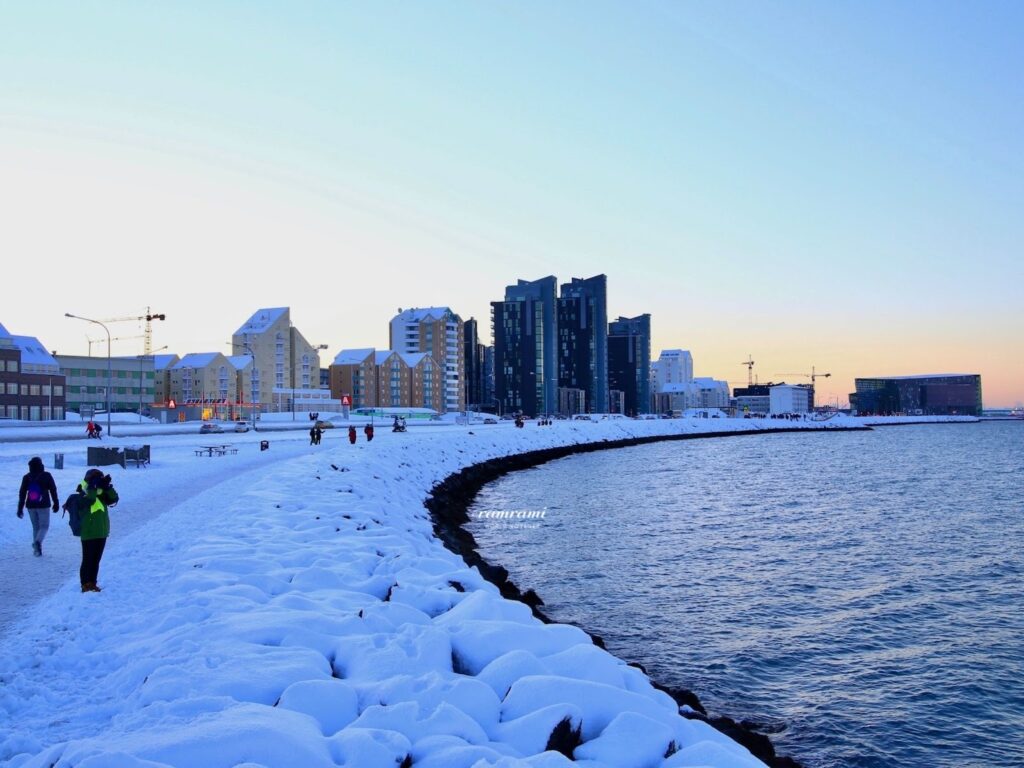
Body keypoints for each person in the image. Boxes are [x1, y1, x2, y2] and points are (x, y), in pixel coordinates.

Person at [77, 468, 119, 593]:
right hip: (89, 531)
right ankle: (85, 584)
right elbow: (90, 500)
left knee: (96, 559)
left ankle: (92, 583)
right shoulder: (82, 490)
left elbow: (114, 498)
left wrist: (107, 486)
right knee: (88, 559)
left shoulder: (101, 492)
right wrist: (93, 486)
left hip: (101, 531)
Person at [17, 456, 60, 556]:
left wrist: (20, 508)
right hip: (43, 504)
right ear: (41, 465)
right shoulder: (47, 475)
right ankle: (37, 543)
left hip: (30, 505)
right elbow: (53, 489)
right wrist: (56, 502)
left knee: (36, 527)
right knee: (44, 526)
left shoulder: (27, 477)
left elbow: (22, 493)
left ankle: (37, 551)